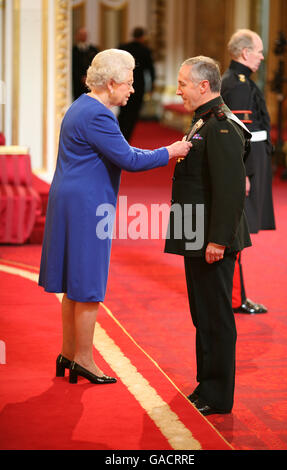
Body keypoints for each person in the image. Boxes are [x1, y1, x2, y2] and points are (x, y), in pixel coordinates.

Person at [39, 49, 191, 385]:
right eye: (128, 82)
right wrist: (171, 151)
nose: (132, 89)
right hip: (87, 205)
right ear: (110, 83)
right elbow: (130, 159)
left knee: (72, 284)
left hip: (69, 199)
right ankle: (83, 359)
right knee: (89, 284)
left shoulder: (81, 105)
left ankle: (68, 353)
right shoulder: (99, 115)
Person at [165, 56, 252, 415]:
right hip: (195, 234)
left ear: (204, 86)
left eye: (183, 82)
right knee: (202, 314)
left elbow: (230, 190)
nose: (178, 89)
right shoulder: (203, 120)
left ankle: (218, 394)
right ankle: (207, 384)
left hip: (211, 240)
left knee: (215, 316)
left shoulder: (220, 125)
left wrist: (217, 240)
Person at [221, 29, 276, 314]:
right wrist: (241, 173)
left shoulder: (238, 81)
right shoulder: (239, 85)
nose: (262, 56)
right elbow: (237, 135)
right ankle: (234, 298)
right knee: (236, 234)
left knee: (237, 233)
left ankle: (236, 296)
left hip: (250, 164)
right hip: (247, 166)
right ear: (245, 53)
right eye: (259, 51)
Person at [118, 27, 155, 141]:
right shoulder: (145, 50)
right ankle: (126, 139)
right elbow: (151, 71)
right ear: (142, 37)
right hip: (139, 87)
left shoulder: (123, 48)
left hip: (123, 84)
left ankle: (118, 137)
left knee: (123, 113)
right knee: (133, 115)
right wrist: (151, 86)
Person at [72, 27, 99, 100]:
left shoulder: (93, 49)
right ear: (76, 36)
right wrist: (81, 77)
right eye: (81, 34)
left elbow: (96, 65)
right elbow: (73, 67)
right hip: (78, 84)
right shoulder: (73, 50)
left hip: (91, 82)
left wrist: (89, 76)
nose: (83, 36)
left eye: (85, 34)